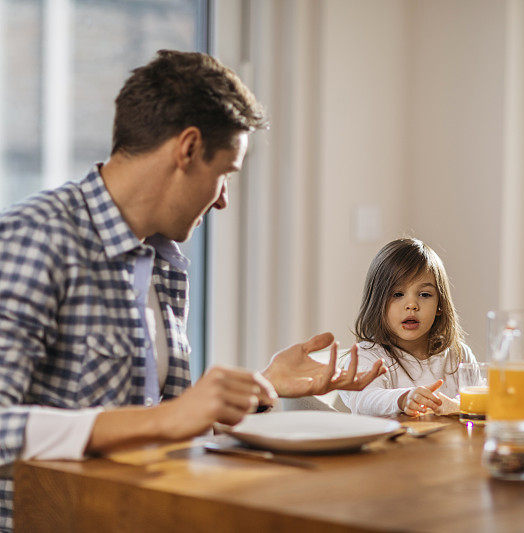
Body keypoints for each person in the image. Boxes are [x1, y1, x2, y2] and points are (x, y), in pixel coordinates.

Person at [0, 50, 385, 530]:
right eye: (224, 173)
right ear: (187, 148)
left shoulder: (162, 261)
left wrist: (262, 386)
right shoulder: (35, 238)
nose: (222, 199)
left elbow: (161, 419)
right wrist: (167, 419)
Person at [339, 238, 478, 417]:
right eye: (397, 294)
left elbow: (481, 402)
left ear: (440, 305)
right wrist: (403, 399)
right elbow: (364, 400)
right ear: (377, 303)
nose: (411, 304)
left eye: (424, 294)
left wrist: (457, 407)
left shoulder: (458, 356)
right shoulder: (368, 357)